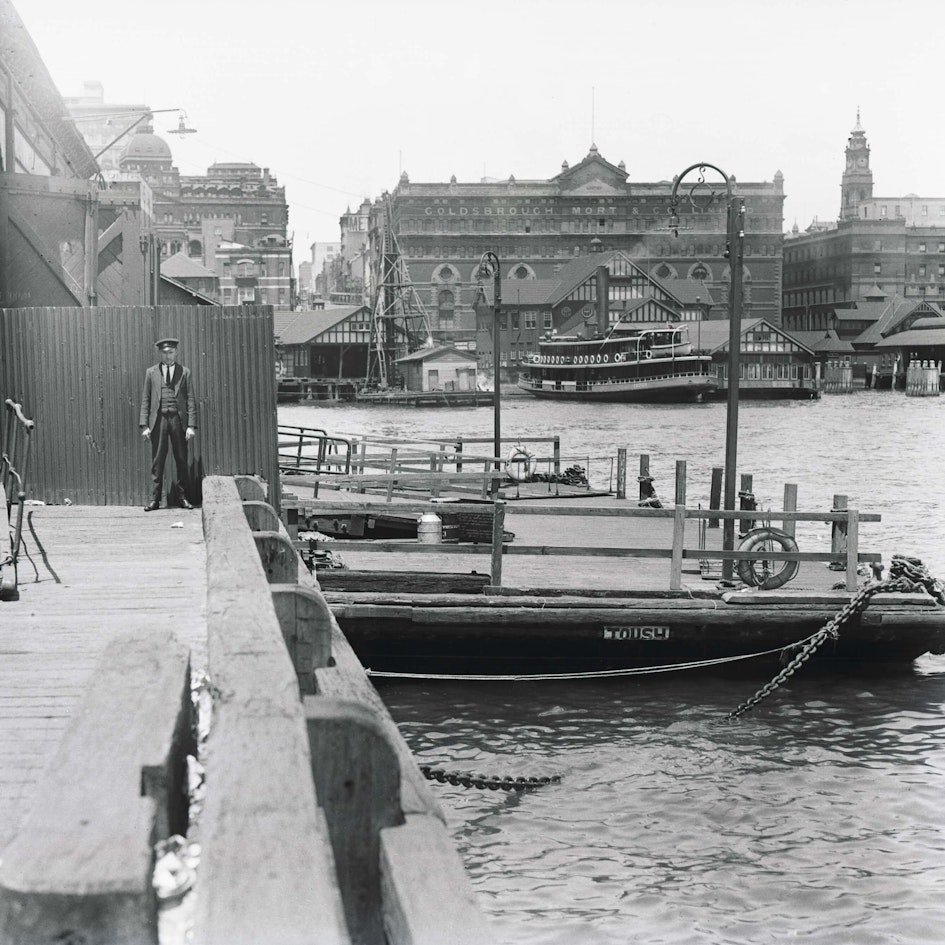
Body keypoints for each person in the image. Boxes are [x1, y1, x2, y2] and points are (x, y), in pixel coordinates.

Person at [139, 337, 197, 511]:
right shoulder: (151, 372)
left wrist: (191, 426)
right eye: (164, 353)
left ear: (176, 352)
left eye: (171, 352)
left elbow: (191, 400)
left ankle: (183, 498)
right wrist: (144, 425)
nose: (168, 356)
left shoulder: (184, 372)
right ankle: (154, 500)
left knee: (181, 459)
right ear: (160, 353)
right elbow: (146, 399)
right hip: (159, 421)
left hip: (178, 421)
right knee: (158, 461)